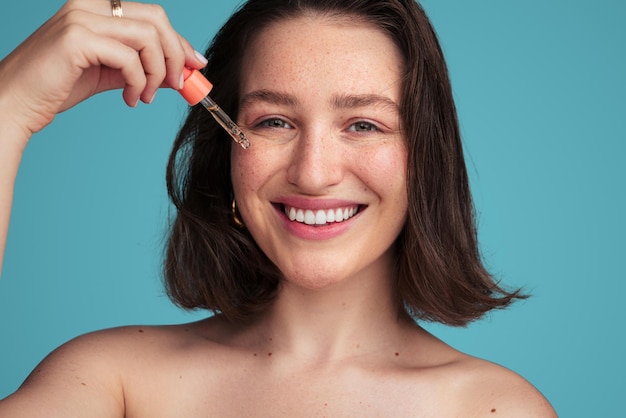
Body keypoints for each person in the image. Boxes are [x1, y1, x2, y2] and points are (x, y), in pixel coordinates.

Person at [0, 0, 557, 415]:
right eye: (274, 122)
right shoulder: (113, 383)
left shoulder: (494, 409)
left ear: (424, 160)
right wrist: (10, 104)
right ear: (226, 154)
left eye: (363, 125)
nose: (313, 173)